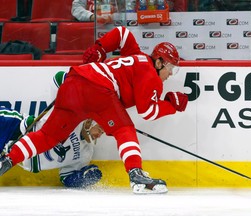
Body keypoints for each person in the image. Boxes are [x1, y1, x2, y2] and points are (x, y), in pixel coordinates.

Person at [0, 26, 188, 194]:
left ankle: (8, 160)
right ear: (159, 62)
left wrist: (100, 47)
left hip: (74, 80)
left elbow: (122, 33)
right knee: (124, 129)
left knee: (48, 136)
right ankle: (136, 175)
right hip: (99, 89)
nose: (171, 73)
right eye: (170, 67)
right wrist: (171, 105)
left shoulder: (134, 55)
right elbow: (148, 112)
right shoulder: (152, 76)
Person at [0, 106, 103, 188]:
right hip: (14, 128)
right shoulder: (73, 117)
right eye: (99, 129)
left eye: (102, 133)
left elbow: (66, 178)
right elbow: (58, 79)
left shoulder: (86, 154)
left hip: (16, 155)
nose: (99, 135)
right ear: (90, 122)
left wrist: (82, 179)